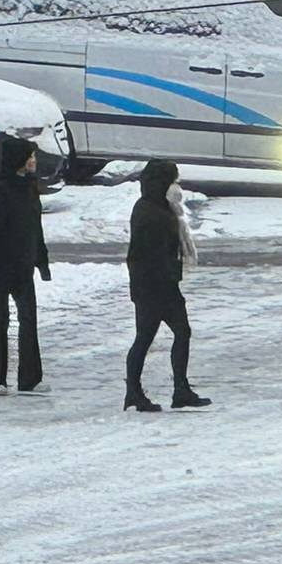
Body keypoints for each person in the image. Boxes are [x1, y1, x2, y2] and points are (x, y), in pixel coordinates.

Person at [124, 159, 210, 412]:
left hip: (156, 284)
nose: (177, 186)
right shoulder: (151, 212)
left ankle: (168, 390)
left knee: (165, 335)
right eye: (174, 180)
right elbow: (148, 254)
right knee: (157, 336)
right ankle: (141, 392)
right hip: (155, 286)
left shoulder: (161, 208)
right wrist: (167, 280)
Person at [0, 134, 52, 395]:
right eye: (30, 157)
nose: (34, 161)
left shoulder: (29, 188)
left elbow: (34, 229)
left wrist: (40, 259)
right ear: (19, 161)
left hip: (23, 265)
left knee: (28, 319)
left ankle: (30, 377)